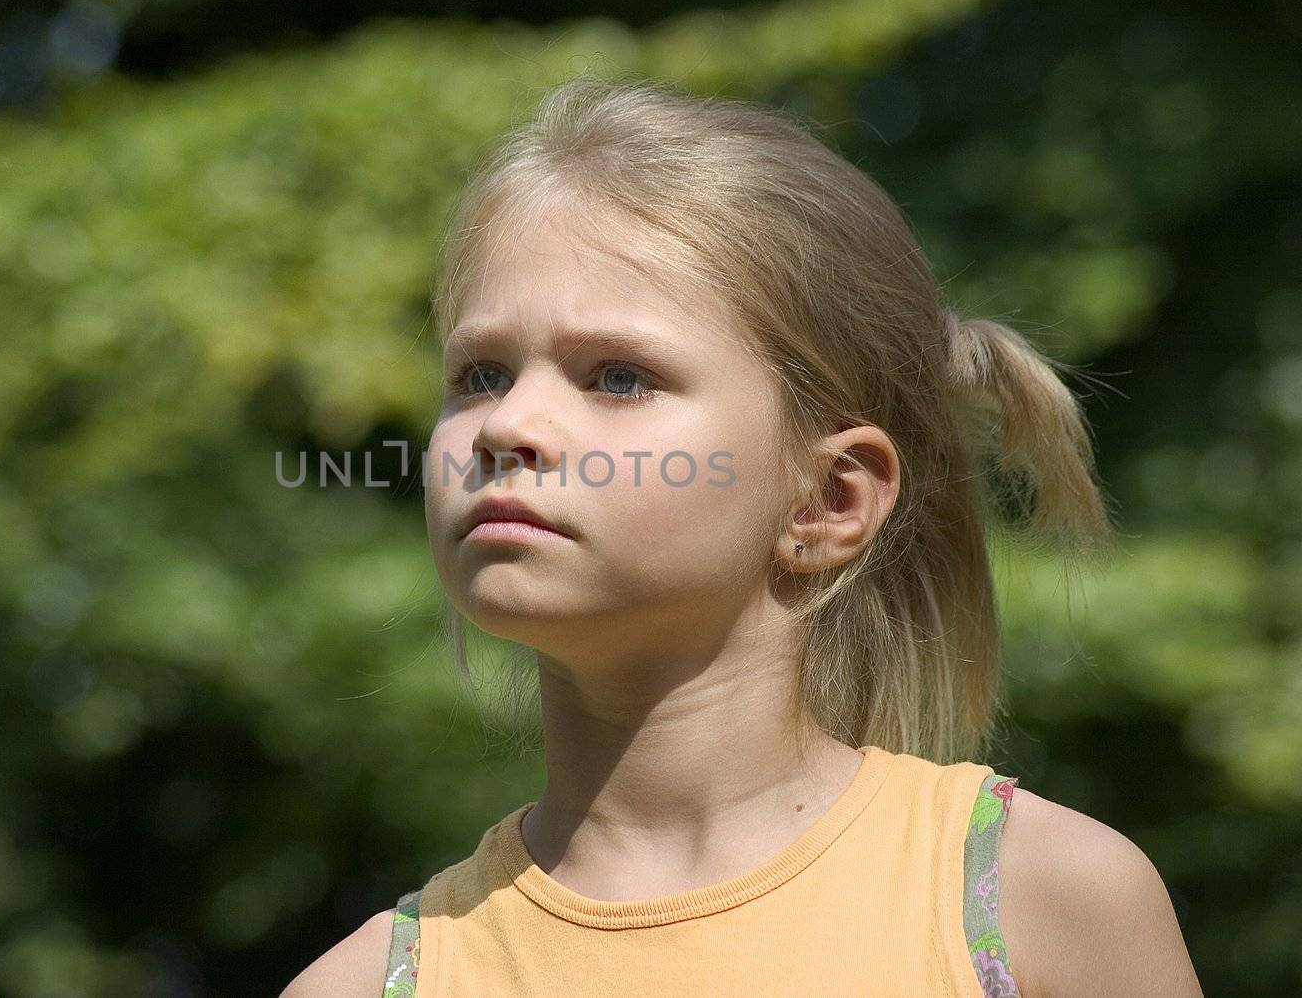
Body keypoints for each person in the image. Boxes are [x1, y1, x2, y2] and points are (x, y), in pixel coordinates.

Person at [283, 77, 1203, 997]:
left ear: (828, 500)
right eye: (480, 372)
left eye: (618, 376)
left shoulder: (1036, 906)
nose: (505, 425)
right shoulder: (370, 984)